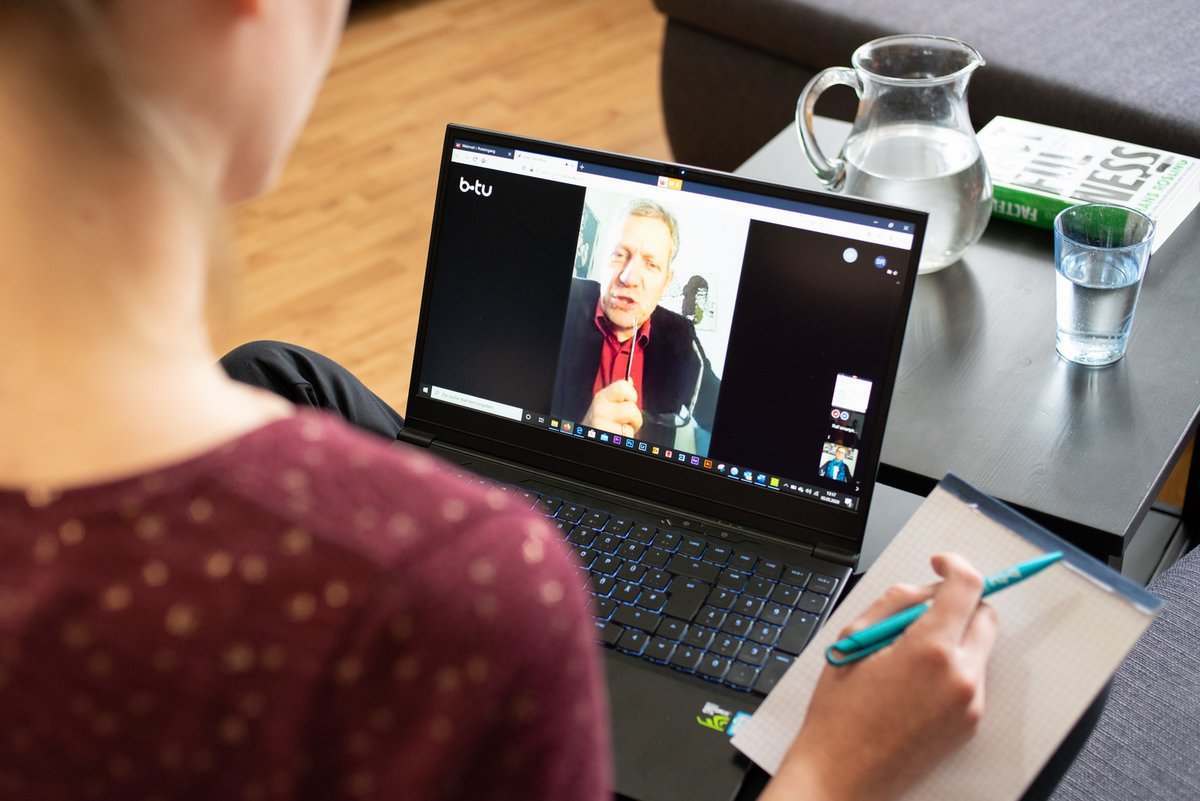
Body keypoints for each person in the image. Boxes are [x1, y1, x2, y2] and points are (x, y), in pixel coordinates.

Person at [0, 2, 1002, 800]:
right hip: (511, 593)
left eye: (650, 263)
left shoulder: (682, 352)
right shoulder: (469, 588)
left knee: (275, 372)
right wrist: (834, 774)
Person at [551, 199, 719, 451]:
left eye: (651, 264)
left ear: (665, 281)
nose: (628, 278)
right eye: (619, 255)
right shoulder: (562, 302)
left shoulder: (681, 339)